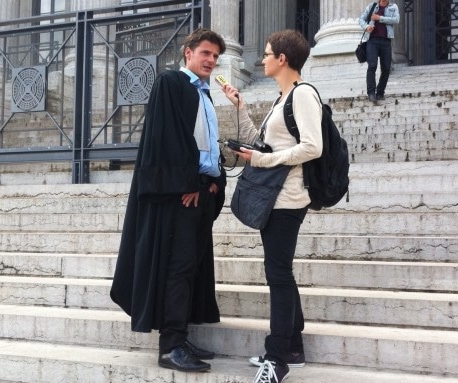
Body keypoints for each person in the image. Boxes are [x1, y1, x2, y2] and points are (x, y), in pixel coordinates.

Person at [110, 28, 227, 373]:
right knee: (177, 269)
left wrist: (213, 181)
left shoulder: (204, 94)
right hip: (180, 197)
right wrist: (186, 183)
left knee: (190, 268)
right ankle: (170, 346)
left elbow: (207, 143)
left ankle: (180, 334)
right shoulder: (171, 83)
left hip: (199, 192)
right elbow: (167, 138)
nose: (211, 61)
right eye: (205, 53)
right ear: (188, 52)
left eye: (216, 57)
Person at [220, 30, 323, 383]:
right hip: (276, 198)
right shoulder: (284, 98)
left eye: (266, 54)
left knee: (277, 276)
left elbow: (313, 147)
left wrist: (262, 161)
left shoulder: (304, 94)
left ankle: (277, 359)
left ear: (283, 59)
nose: (261, 59)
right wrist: (240, 107)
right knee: (281, 272)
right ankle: (292, 347)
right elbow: (261, 145)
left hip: (288, 199)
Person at [358, 0, 400, 102]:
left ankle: (380, 92)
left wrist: (379, 18)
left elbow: (396, 20)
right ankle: (371, 93)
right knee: (372, 66)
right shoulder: (372, 7)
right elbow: (361, 20)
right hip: (372, 41)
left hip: (386, 41)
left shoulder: (393, 7)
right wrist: (367, 27)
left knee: (386, 68)